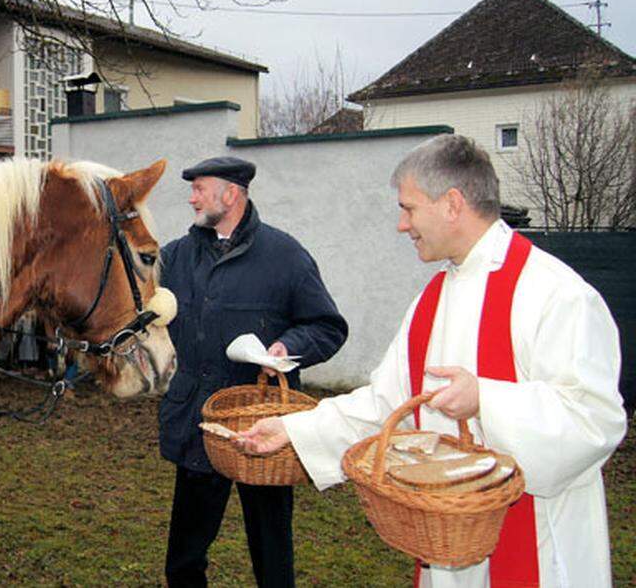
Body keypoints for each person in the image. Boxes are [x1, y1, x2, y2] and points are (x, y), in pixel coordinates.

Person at [237, 134, 627, 587]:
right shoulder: (432, 298)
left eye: (409, 208)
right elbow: (388, 405)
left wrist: (487, 399)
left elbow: (596, 419)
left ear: (452, 204)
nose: (402, 225)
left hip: (539, 545)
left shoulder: (557, 293)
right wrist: (293, 429)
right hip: (448, 547)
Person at [158, 157, 348, 588]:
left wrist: (288, 346)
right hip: (199, 424)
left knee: (272, 555)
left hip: (264, 429)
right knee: (184, 559)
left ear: (231, 194)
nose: (191, 198)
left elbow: (327, 327)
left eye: (200, 188)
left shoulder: (285, 256)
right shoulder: (176, 257)